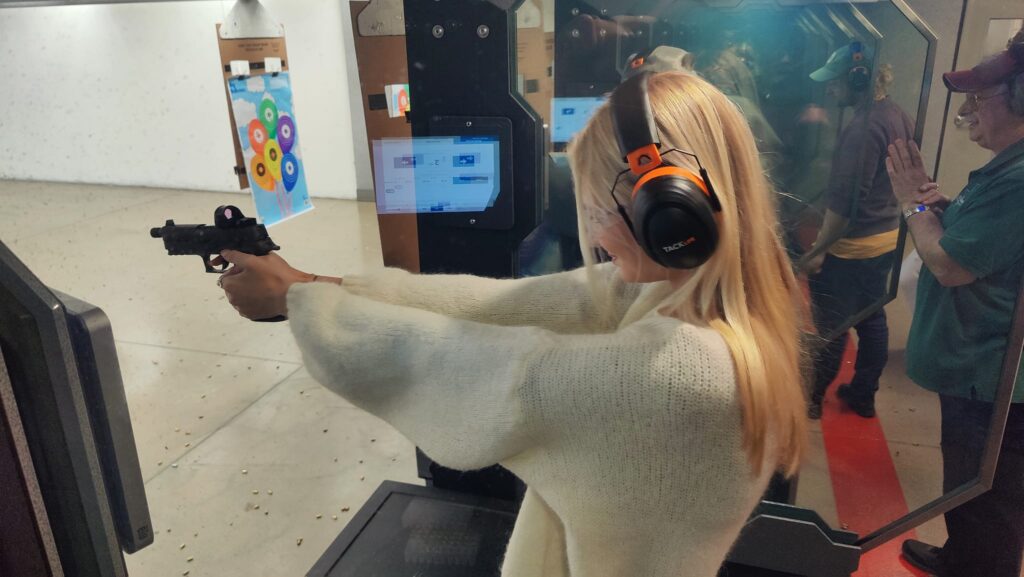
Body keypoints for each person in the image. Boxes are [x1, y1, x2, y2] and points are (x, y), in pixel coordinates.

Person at [215, 71, 807, 577]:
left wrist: (297, 306)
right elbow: (493, 307)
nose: (597, 235)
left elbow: (494, 373)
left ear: (672, 210)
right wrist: (313, 285)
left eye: (601, 209)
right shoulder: (702, 304)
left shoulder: (683, 372)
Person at [888, 40, 1024, 577]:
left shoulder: (1017, 180)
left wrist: (913, 202)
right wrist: (941, 208)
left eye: (980, 98)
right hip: (977, 374)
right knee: (967, 489)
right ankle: (961, 558)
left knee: (989, 502)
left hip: (991, 379)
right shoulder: (1005, 171)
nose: (967, 111)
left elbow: (949, 265)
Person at [798, 42, 915, 419]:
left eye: (834, 81)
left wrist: (816, 252)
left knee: (832, 325)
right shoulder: (896, 114)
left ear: (858, 77)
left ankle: (812, 399)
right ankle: (863, 394)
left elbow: (845, 207)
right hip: (884, 238)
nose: (829, 89)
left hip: (851, 247)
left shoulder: (862, 130)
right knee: (871, 317)